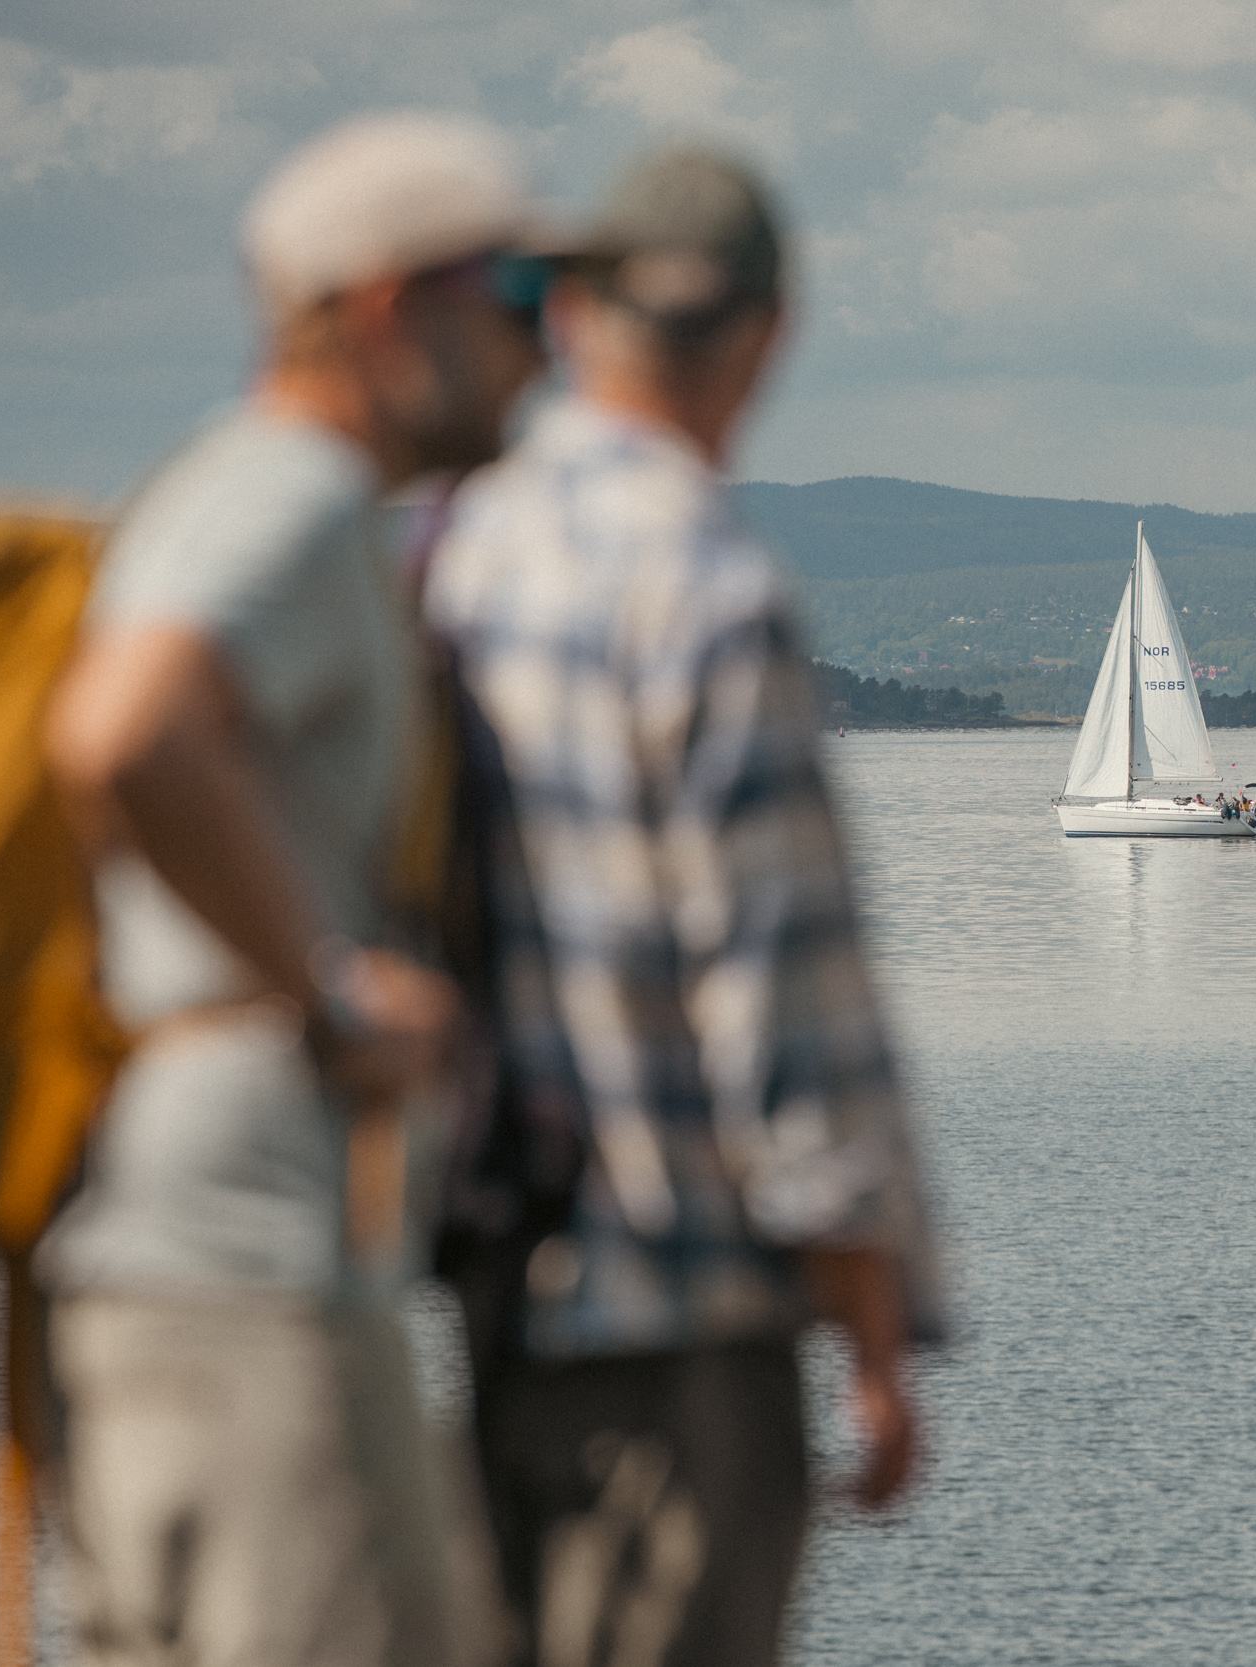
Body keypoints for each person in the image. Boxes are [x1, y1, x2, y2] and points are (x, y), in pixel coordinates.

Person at [38, 113, 546, 1667]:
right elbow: (124, 727)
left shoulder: (240, 487)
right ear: (389, 307)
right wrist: (324, 986)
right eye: (517, 294)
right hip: (245, 1255)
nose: (546, 347)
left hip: (177, 1242)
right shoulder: (300, 495)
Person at [425, 147, 943, 1667]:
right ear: (769, 334)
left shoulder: (461, 553)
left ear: (577, 317)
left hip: (506, 1286)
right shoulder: (710, 587)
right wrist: (873, 1320)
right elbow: (778, 996)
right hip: (690, 1311)